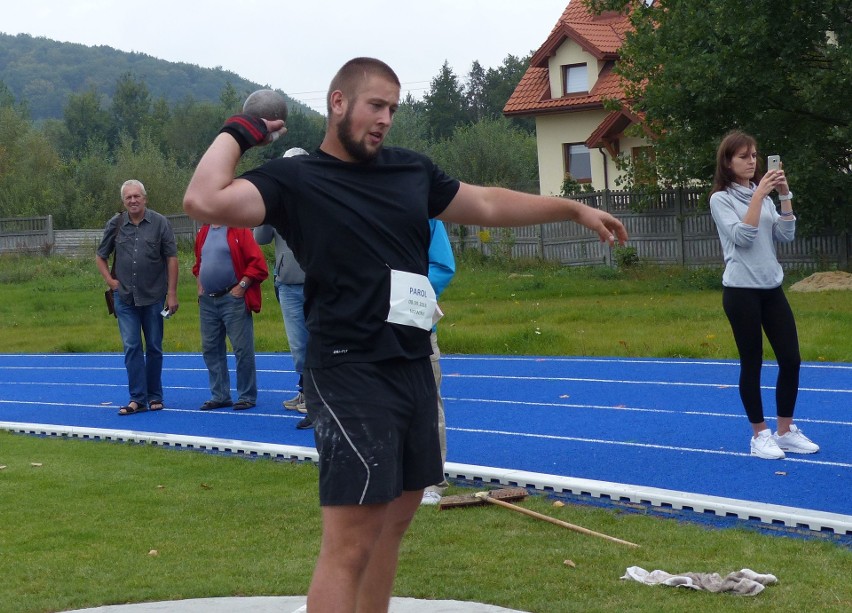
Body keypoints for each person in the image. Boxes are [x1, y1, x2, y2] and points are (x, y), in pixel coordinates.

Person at [183, 57, 627, 613]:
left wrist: (571, 208)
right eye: (376, 105)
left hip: (412, 361)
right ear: (338, 103)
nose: (386, 118)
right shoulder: (296, 180)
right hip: (347, 371)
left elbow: (487, 202)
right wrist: (239, 132)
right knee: (350, 542)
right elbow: (202, 200)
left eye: (393, 108)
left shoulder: (410, 172)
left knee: (394, 524)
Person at [709, 130, 819, 460]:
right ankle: (759, 435)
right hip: (741, 292)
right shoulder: (721, 199)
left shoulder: (765, 193)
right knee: (752, 363)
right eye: (744, 156)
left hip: (772, 289)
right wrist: (758, 198)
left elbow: (786, 233)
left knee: (791, 359)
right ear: (727, 162)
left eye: (754, 155)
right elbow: (743, 237)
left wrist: (784, 194)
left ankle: (785, 432)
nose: (752, 161)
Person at [96, 179, 179, 415]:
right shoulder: (116, 223)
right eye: (128, 197)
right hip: (125, 299)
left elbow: (172, 258)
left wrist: (171, 293)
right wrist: (110, 282)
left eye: (137, 196)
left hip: (154, 297)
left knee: (154, 347)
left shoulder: (160, 223)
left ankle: (155, 396)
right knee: (132, 346)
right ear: (123, 201)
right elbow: (101, 256)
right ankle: (137, 398)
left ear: (145, 198)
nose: (133, 200)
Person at [254, 147, 312, 429]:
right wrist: (270, 204)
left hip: (317, 284)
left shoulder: (317, 199)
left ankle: (316, 397)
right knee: (298, 346)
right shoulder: (280, 203)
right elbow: (261, 237)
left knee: (317, 342)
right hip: (288, 286)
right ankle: (305, 391)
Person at [192, 224, 268, 411]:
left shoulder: (239, 230)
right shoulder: (203, 232)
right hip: (208, 301)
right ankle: (220, 395)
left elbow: (257, 262)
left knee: (242, 349)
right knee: (210, 349)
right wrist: (200, 285)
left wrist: (242, 286)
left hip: (232, 299)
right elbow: (199, 263)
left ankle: (246, 396)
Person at [420, 219, 455, 506]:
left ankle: (432, 481)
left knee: (428, 403)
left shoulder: (427, 216)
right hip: (371, 327)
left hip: (416, 326)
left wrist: (405, 297)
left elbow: (442, 267)